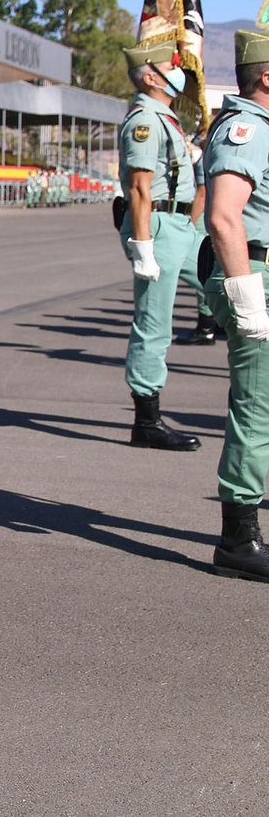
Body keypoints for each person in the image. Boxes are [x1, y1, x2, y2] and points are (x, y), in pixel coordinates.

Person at [202, 29, 269, 580]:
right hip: (258, 276)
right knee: (256, 405)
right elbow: (225, 216)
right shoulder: (247, 129)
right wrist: (246, 296)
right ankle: (237, 539)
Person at [115, 44, 204, 452]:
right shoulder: (144, 120)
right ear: (150, 77)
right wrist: (144, 246)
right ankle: (146, 421)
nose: (177, 69)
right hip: (159, 227)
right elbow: (138, 187)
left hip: (181, 224)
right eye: (169, 65)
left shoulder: (166, 117)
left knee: (228, 278)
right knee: (155, 324)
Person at [173, 127, 219, 345]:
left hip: (202, 219)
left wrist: (187, 222)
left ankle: (206, 326)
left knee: (202, 271)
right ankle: (213, 322)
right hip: (210, 216)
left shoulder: (206, 156)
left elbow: (201, 195)